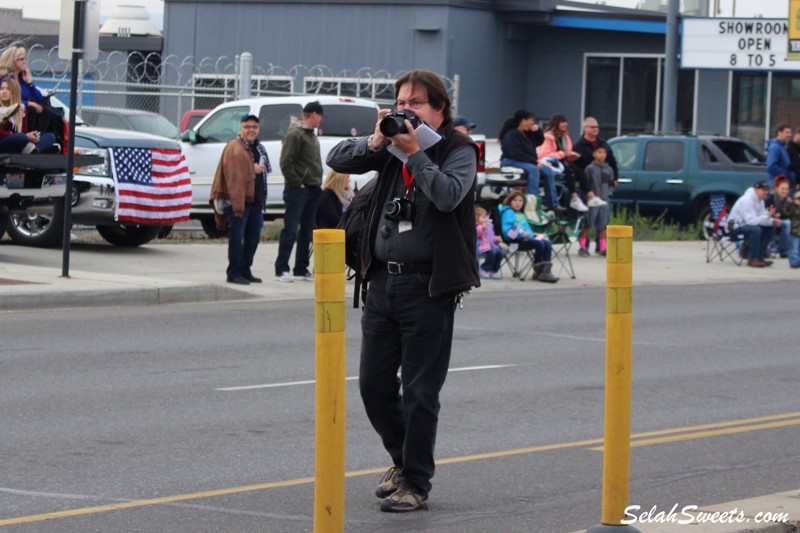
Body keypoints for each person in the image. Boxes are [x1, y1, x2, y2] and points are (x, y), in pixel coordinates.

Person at [326, 68, 480, 513]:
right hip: (380, 282)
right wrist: (377, 142)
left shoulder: (458, 148)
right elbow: (338, 159)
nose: (406, 111)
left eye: (415, 103)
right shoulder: (390, 144)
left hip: (428, 287)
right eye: (400, 103)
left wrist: (415, 156)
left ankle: (416, 482)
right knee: (374, 387)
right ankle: (401, 461)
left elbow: (450, 195)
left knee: (419, 391)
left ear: (439, 109)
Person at [210, 114, 270, 284]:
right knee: (237, 238)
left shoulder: (260, 148)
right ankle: (234, 273)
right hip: (238, 202)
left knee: (253, 238)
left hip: (256, 202)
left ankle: (245, 270)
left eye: (255, 127)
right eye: (247, 126)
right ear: (240, 128)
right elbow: (233, 176)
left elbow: (264, 173)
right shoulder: (234, 148)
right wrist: (253, 170)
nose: (251, 130)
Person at [275, 100, 324, 283]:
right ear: (313, 115)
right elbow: (286, 161)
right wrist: (298, 182)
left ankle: (301, 268)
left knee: (306, 231)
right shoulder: (296, 134)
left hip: (313, 188)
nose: (321, 120)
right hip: (298, 189)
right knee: (291, 228)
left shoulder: (311, 135)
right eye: (320, 116)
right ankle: (281, 268)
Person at [537, 114, 605, 212]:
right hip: (551, 162)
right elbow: (545, 154)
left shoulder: (565, 136)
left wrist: (571, 155)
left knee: (580, 171)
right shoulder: (548, 137)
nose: (565, 129)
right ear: (557, 125)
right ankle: (574, 198)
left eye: (566, 127)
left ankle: (591, 196)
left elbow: (568, 149)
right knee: (569, 171)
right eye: (563, 126)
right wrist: (563, 153)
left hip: (563, 160)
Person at [498, 109, 558, 209]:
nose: (532, 123)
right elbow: (516, 154)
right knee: (533, 170)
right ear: (523, 121)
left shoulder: (528, 134)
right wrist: (534, 162)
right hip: (510, 161)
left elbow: (539, 141)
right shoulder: (512, 134)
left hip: (526, 162)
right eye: (530, 120)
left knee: (548, 172)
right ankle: (533, 203)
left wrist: (538, 131)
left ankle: (552, 204)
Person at [498, 190, 559, 282]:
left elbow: (527, 230)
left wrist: (534, 235)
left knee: (547, 242)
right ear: (510, 201)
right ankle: (538, 271)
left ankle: (546, 272)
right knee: (540, 244)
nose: (518, 203)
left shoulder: (521, 214)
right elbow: (507, 231)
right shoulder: (508, 212)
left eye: (520, 201)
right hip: (515, 240)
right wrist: (521, 234)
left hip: (526, 238)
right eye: (515, 200)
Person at [0, 46, 55, 135]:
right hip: (14, 110)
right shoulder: (5, 80)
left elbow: (39, 98)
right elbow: (4, 99)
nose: (24, 61)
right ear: (12, 61)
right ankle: (28, 137)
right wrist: (27, 103)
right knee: (30, 109)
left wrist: (30, 83)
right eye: (21, 59)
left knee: (47, 111)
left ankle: (38, 135)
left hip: (26, 110)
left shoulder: (23, 78)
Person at [728, 180, 781, 267]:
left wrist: (772, 220)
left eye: (767, 190)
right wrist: (768, 215)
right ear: (756, 189)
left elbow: (761, 219)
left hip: (744, 224)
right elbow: (751, 221)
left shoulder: (760, 201)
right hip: (732, 227)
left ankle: (760, 257)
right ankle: (753, 259)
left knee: (770, 227)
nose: (766, 192)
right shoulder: (747, 200)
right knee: (756, 230)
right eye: (764, 190)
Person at [0, 76, 55, 154]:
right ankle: (31, 150)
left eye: (8, 89)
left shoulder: (21, 109)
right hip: (3, 141)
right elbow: (1, 133)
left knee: (50, 136)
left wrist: (31, 136)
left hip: (19, 141)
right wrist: (26, 136)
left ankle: (34, 151)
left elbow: (23, 131)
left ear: (15, 92)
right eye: (2, 89)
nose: (4, 91)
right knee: (21, 137)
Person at [579, 145, 613, 257]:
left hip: (604, 200)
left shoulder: (609, 169)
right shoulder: (590, 168)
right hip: (592, 201)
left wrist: (609, 193)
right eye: (599, 152)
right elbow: (585, 184)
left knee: (603, 226)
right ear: (594, 154)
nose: (602, 155)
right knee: (587, 224)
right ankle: (583, 247)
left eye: (604, 152)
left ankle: (603, 248)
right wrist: (587, 198)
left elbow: (611, 183)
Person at [573, 117, 618, 185]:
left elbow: (612, 161)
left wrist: (615, 178)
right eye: (593, 127)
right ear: (585, 128)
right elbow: (575, 166)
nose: (596, 129)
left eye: (597, 127)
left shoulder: (603, 144)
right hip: (586, 184)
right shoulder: (578, 146)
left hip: (603, 184)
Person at [765, 175, 792, 258]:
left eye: (787, 189)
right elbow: (763, 211)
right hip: (768, 220)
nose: (785, 191)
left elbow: (789, 215)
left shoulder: (788, 200)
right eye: (782, 189)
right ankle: (767, 248)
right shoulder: (770, 198)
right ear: (776, 188)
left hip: (782, 222)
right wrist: (773, 217)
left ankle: (784, 251)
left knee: (787, 223)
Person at [475, 206, 504, 279]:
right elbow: (476, 234)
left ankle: (493, 270)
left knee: (501, 253)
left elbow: (491, 236)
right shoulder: (477, 226)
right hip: (481, 247)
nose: (485, 219)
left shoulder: (489, 226)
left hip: (490, 246)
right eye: (483, 217)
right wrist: (482, 228)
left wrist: (497, 239)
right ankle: (484, 268)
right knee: (492, 252)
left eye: (486, 217)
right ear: (476, 218)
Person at [766, 124, 795, 189]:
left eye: (790, 133)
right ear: (779, 133)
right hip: (778, 185)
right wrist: (786, 173)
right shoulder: (775, 147)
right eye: (787, 132)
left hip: (783, 184)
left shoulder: (782, 147)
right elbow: (771, 167)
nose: (790, 135)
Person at [782, 189, 800, 268]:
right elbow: (786, 213)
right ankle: (794, 262)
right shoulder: (792, 206)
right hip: (794, 230)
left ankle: (798, 260)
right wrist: (793, 204)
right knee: (794, 247)